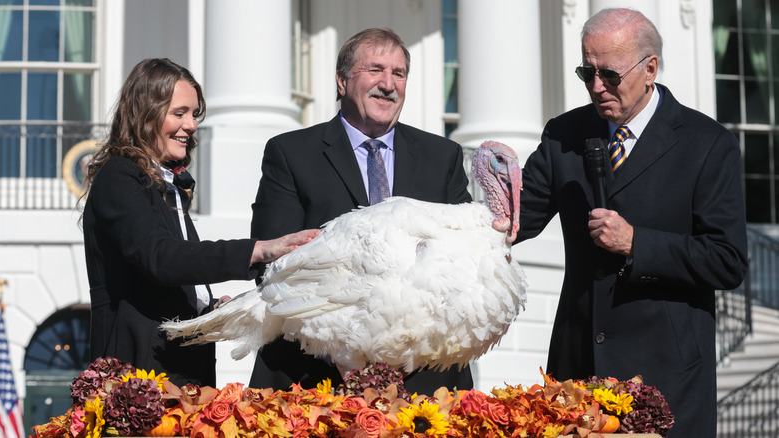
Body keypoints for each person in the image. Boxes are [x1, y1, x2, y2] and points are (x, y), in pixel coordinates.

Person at [516, 8, 748, 438]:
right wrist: (488, 197)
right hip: (577, 375)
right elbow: (514, 221)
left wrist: (636, 243)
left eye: (609, 74)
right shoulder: (562, 134)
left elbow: (727, 260)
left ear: (650, 69)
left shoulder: (707, 144)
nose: (596, 86)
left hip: (665, 379)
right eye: (587, 72)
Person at [249, 28, 474, 394]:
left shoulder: (442, 157)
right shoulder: (291, 153)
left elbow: (465, 261)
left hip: (427, 380)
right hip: (315, 377)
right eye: (375, 70)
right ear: (342, 81)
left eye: (398, 74)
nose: (388, 84)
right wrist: (343, 347)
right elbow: (273, 267)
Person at [81, 58, 319, 387]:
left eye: (194, 114)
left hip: (182, 373)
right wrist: (258, 250)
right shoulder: (120, 175)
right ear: (144, 114)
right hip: (138, 379)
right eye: (179, 113)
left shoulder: (168, 184)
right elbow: (161, 258)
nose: (191, 125)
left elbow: (172, 275)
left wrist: (207, 306)